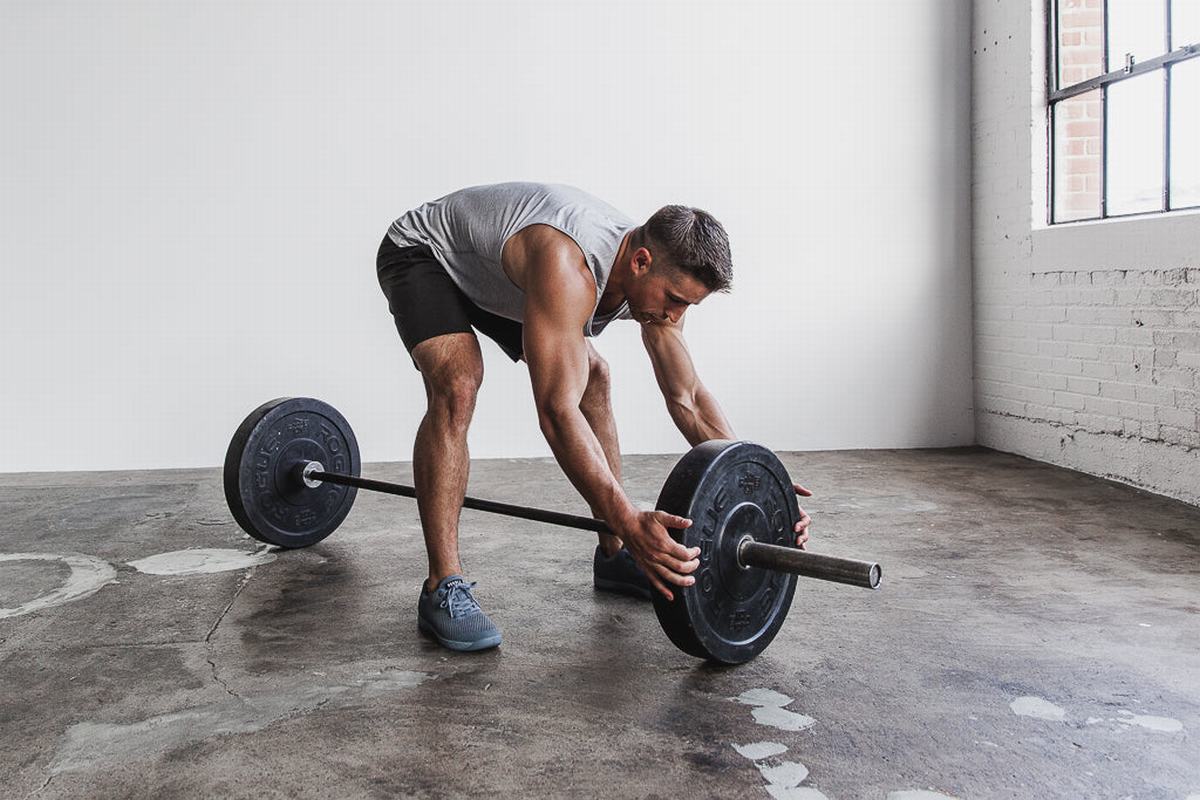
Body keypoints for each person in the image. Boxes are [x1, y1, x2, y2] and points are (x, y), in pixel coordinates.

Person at [376, 182, 812, 652]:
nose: (676, 314)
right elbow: (556, 412)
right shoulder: (569, 266)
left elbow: (685, 395)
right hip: (425, 254)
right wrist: (628, 516)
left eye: (687, 305)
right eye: (675, 299)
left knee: (595, 376)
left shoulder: (656, 276)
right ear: (641, 262)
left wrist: (756, 482)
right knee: (458, 383)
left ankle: (613, 555)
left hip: (497, 280)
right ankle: (443, 585)